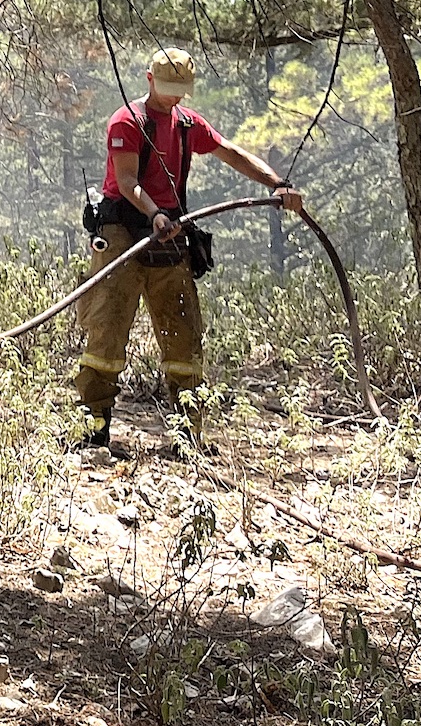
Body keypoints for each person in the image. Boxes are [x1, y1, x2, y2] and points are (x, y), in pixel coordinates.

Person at [73, 47, 302, 447]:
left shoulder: (186, 124)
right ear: (149, 80)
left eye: (179, 91)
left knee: (183, 333)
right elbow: (127, 182)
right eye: (167, 89)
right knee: (106, 327)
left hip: (171, 235)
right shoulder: (126, 121)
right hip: (123, 233)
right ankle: (95, 427)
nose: (173, 98)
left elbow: (230, 152)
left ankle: (188, 433)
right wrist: (154, 213)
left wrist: (277, 184)